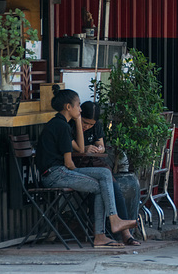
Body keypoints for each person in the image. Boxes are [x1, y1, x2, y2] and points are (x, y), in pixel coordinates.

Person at [35, 85, 136, 248]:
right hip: (55, 175)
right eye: (78, 106)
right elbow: (69, 163)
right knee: (101, 183)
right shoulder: (61, 126)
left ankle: (112, 222)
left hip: (58, 173)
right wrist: (85, 175)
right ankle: (103, 232)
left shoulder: (62, 124)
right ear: (69, 107)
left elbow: (81, 149)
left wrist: (78, 120)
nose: (80, 110)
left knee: (104, 173)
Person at [71, 101, 140, 246]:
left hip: (95, 163)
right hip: (78, 166)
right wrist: (84, 149)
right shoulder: (71, 125)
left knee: (115, 188)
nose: (87, 126)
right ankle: (110, 232)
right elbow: (68, 151)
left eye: (90, 124)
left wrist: (98, 148)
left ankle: (124, 232)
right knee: (105, 184)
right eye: (85, 123)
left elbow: (101, 145)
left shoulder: (96, 126)